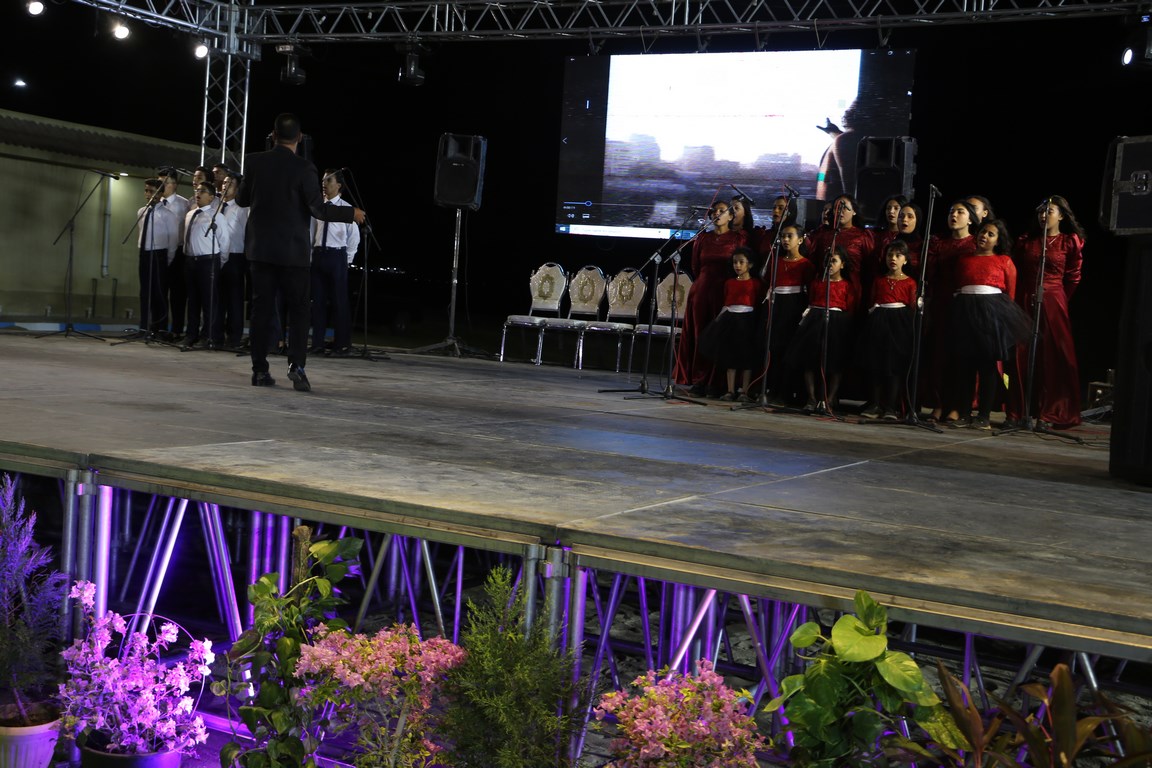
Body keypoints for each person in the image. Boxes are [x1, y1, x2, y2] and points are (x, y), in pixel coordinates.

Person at [236, 113, 366, 391]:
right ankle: (296, 365)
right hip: (293, 252)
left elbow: (242, 199)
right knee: (298, 310)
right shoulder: (305, 168)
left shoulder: (254, 161)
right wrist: (350, 213)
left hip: (260, 250)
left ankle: (259, 370)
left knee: (261, 310)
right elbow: (318, 209)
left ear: (273, 135)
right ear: (299, 138)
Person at [1005, 195, 1085, 429]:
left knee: (1052, 356)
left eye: (1049, 211)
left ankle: (1050, 412)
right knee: (1021, 355)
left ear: (1061, 216)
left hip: (1053, 300)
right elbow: (1015, 270)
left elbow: (1074, 276)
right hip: (1025, 298)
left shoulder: (1070, 241)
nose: (1043, 215)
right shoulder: (1026, 241)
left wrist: (1057, 298)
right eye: (1040, 211)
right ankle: (1017, 411)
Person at [948, 219, 1032, 429]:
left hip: (991, 314)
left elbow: (1010, 293)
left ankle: (983, 416)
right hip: (965, 312)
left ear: (998, 241)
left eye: (991, 234)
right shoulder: (964, 260)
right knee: (965, 366)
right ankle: (965, 413)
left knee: (987, 366)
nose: (984, 236)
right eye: (983, 232)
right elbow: (958, 283)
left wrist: (1000, 317)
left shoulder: (1004, 261)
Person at [674, 199, 747, 396]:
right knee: (700, 335)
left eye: (722, 211)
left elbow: (742, 265)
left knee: (719, 336)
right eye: (714, 211)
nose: (717, 214)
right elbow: (695, 266)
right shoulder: (703, 238)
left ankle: (717, 382)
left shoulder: (737, 238)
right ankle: (699, 380)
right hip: (702, 291)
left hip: (724, 291)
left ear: (730, 216)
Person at [922, 199, 979, 423]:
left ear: (971, 219)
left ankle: (957, 406)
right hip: (941, 302)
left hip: (965, 304)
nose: (954, 215)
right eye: (951, 212)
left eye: (960, 212)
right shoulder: (939, 243)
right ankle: (938, 404)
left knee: (960, 358)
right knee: (939, 356)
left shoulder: (975, 244)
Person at [788, 246, 857, 414]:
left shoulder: (847, 285)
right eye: (827, 261)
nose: (829, 264)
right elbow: (811, 300)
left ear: (842, 264)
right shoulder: (817, 283)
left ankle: (829, 399)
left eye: (834, 261)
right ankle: (811, 398)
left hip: (837, 324)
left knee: (835, 363)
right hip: (814, 322)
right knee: (810, 361)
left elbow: (850, 307)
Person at [858, 239, 917, 420]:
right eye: (890, 255)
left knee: (894, 365)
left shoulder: (910, 283)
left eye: (898, 255)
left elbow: (912, 307)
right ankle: (875, 404)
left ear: (905, 260)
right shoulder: (879, 280)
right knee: (876, 363)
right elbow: (872, 301)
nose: (893, 258)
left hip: (899, 324)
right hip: (879, 321)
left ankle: (891, 407)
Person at [698, 247, 765, 401]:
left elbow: (757, 302)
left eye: (741, 262)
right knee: (730, 357)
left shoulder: (755, 283)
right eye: (735, 262)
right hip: (730, 320)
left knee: (747, 357)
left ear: (750, 264)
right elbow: (727, 302)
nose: (737, 265)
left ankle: (744, 391)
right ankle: (730, 390)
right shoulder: (729, 283)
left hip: (747, 321)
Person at [761, 222, 816, 406]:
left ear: (800, 240)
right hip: (776, 306)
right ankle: (773, 390)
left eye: (789, 236)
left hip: (794, 307)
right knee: (773, 350)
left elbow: (809, 291)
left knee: (789, 351)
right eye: (783, 236)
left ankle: (787, 393)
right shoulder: (775, 261)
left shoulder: (806, 265)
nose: (785, 239)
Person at [310, 168, 360, 356]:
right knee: (318, 301)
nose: (324, 184)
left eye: (328, 180)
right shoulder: (317, 207)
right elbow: (312, 232)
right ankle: (317, 344)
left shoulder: (347, 209)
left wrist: (346, 260)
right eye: (323, 180)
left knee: (339, 302)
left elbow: (353, 238)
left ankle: (341, 345)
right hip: (318, 255)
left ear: (339, 185)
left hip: (337, 255)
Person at [181, 180, 232, 349]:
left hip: (208, 261)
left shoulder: (216, 216)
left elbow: (225, 242)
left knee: (208, 301)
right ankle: (191, 335)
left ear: (211, 197)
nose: (198, 193)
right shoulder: (190, 214)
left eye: (202, 191)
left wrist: (219, 262)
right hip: (190, 260)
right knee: (192, 300)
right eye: (197, 190)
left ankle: (208, 336)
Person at [135, 178, 180, 337]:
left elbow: (173, 241)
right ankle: (143, 327)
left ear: (160, 194)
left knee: (158, 292)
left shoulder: (168, 215)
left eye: (152, 191)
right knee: (144, 292)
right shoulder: (142, 211)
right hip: (144, 253)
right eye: (146, 190)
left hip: (159, 254)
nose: (148, 194)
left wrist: (167, 259)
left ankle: (160, 328)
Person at [158, 168, 191, 340]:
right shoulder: (156, 203)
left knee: (178, 293)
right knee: (159, 291)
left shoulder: (184, 204)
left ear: (175, 184)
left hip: (178, 252)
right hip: (159, 250)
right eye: (160, 183)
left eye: (165, 183)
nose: (161, 186)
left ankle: (177, 329)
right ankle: (159, 327)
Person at [219, 172, 249, 349]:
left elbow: (247, 234)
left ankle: (234, 338)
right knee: (218, 299)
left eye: (229, 184)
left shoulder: (241, 209)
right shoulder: (216, 206)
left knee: (234, 300)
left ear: (237, 188)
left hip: (235, 257)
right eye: (224, 183)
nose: (225, 186)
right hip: (216, 257)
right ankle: (216, 336)